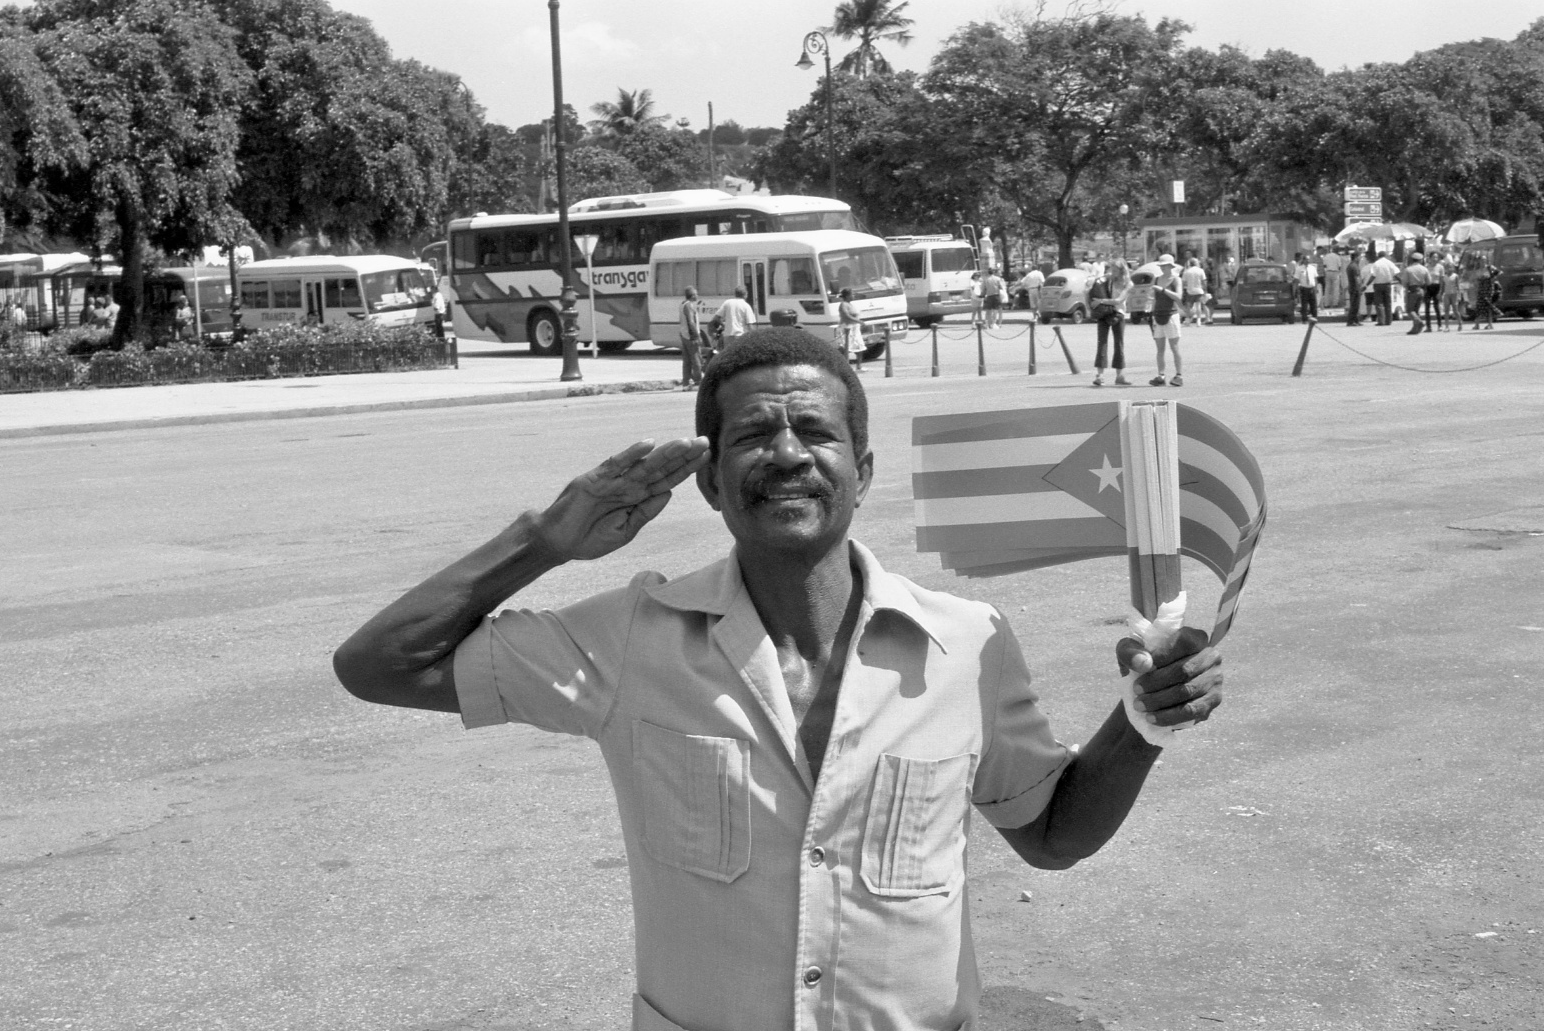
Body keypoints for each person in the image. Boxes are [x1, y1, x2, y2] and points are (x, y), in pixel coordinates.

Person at [332, 327, 1224, 1031]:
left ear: (862, 472)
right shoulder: (628, 640)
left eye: (816, 433)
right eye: (754, 434)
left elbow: (1052, 835)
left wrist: (1138, 724)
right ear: (712, 487)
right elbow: (378, 664)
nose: (788, 454)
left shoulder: (967, 643)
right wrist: (549, 539)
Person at [1148, 254, 1184, 386]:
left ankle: (1179, 375)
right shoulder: (1157, 279)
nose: (1163, 268)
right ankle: (1161, 375)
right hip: (1158, 315)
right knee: (1160, 348)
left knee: (1174, 347)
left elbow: (1179, 297)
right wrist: (1151, 312)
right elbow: (1153, 298)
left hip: (1171, 314)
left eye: (1165, 266)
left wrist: (1163, 290)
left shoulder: (1175, 280)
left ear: (1170, 266)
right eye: (1161, 266)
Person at [1088, 270, 1128, 386]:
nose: (1113, 271)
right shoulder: (1107, 279)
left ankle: (1118, 375)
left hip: (1113, 313)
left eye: (1115, 268)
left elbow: (1119, 300)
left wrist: (1100, 301)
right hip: (1107, 313)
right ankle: (1101, 375)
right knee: (1104, 343)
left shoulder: (1127, 283)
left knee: (1116, 344)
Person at [678, 286, 704, 389]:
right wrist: (697, 336)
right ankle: (698, 382)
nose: (697, 296)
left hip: (684, 335)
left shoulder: (682, 304)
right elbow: (691, 322)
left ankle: (686, 383)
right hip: (691, 337)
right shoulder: (689, 306)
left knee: (687, 361)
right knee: (697, 360)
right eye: (696, 294)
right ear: (692, 296)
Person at [1402, 252, 1432, 335]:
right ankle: (1415, 329)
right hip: (1421, 290)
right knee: (1416, 310)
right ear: (1421, 260)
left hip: (1412, 290)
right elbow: (1429, 282)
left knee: (1409, 310)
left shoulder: (1408, 269)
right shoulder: (1424, 269)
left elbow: (1404, 282)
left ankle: (1419, 322)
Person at [1366, 251, 1398, 326]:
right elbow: (1396, 273)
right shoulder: (1390, 263)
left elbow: (1373, 276)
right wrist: (1401, 281)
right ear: (1385, 255)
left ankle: (1381, 321)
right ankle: (1388, 320)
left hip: (1378, 285)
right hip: (1387, 285)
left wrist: (1367, 284)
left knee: (1379, 303)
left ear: (1378, 256)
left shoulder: (1376, 264)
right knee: (1388, 303)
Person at [835, 287, 863, 370]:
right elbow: (846, 315)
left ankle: (859, 366)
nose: (853, 296)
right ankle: (841, 367)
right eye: (852, 294)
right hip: (846, 329)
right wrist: (859, 321)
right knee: (844, 349)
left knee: (859, 348)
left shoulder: (851, 304)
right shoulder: (843, 304)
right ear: (847, 296)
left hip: (854, 329)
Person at [1180, 257, 1209, 326]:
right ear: (1196, 263)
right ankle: (1198, 320)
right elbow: (1204, 281)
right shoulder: (1201, 270)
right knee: (1198, 305)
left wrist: (1183, 289)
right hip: (1199, 290)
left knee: (1189, 306)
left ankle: (1187, 320)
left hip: (1190, 290)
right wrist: (1205, 290)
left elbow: (1183, 282)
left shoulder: (1187, 271)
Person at [1291, 253, 1319, 323]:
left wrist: (1316, 287)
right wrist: (1295, 291)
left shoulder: (1312, 268)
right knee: (1304, 305)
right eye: (1306, 259)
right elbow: (1296, 280)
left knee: (1313, 305)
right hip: (1304, 288)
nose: (1308, 261)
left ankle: (1314, 318)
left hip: (1311, 288)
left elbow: (1315, 278)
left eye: (1309, 260)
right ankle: (1304, 319)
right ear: (1303, 260)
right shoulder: (1299, 269)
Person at [1425, 251, 1448, 332]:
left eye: (1436, 257)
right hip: (1428, 287)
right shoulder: (1426, 267)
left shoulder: (1440, 267)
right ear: (1430, 258)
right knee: (1427, 307)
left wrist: (1441, 291)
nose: (1435, 259)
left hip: (1436, 287)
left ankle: (1440, 325)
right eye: (1433, 257)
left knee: (1436, 307)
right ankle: (1428, 326)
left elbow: (1442, 280)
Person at [1344, 250, 1364, 326]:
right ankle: (1350, 321)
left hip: (1352, 287)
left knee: (1355, 304)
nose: (1360, 259)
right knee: (1355, 305)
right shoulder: (1354, 266)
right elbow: (1357, 278)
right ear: (1356, 257)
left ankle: (1355, 320)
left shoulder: (1350, 266)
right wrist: (1360, 287)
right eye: (1359, 257)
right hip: (1355, 288)